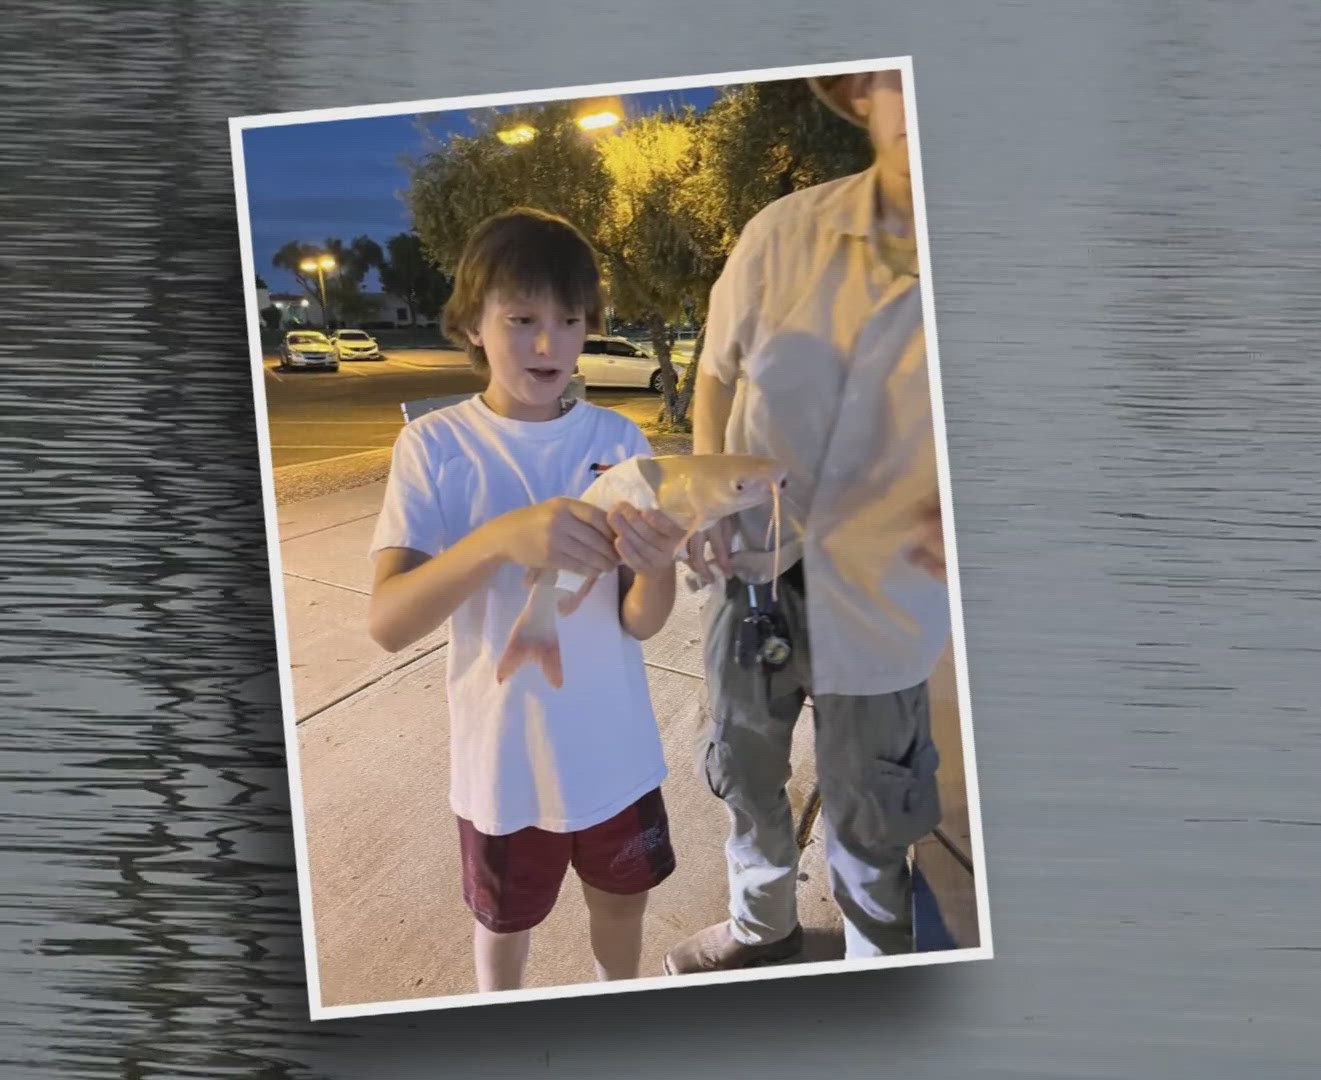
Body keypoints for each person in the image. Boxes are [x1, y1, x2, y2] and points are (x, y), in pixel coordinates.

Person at [664, 69, 952, 974]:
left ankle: (880, 962)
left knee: (874, 804)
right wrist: (708, 480)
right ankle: (762, 929)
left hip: (890, 595)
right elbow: (714, 372)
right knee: (745, 772)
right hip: (753, 567)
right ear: (865, 94)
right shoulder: (779, 235)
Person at [365, 207, 688, 992]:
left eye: (569, 320)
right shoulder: (435, 447)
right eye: (521, 320)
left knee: (622, 913)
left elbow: (639, 621)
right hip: (503, 767)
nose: (548, 344)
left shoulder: (619, 443)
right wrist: (502, 540)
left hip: (616, 755)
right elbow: (387, 623)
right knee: (504, 932)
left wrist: (659, 565)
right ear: (471, 324)